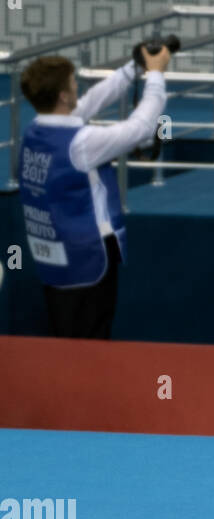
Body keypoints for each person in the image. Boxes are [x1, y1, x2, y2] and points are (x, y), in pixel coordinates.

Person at [17, 45, 171, 339]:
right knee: (88, 344)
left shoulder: (34, 131)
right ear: (63, 95)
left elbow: (89, 102)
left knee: (65, 338)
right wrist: (155, 76)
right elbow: (140, 128)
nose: (78, 88)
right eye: (73, 83)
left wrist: (132, 69)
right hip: (88, 259)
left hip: (55, 257)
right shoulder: (82, 144)